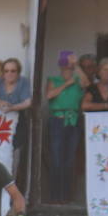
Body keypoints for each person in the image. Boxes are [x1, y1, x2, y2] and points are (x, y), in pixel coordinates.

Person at [45, 55, 89, 205]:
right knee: (57, 158)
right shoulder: (53, 80)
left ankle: (67, 196)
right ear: (60, 68)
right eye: (65, 68)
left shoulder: (78, 81)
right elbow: (49, 95)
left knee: (70, 159)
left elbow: (87, 83)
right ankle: (55, 196)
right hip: (58, 119)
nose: (67, 71)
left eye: (70, 69)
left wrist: (77, 66)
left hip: (74, 120)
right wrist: (66, 84)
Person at [0, 58, 32, 170]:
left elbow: (27, 102)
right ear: (3, 72)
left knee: (14, 156)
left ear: (18, 72)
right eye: (6, 71)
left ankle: (11, 183)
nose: (9, 73)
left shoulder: (23, 82)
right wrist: (0, 103)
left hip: (18, 124)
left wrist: (12, 108)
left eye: (13, 71)